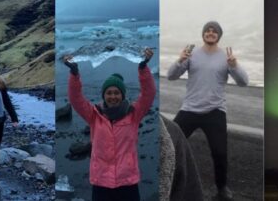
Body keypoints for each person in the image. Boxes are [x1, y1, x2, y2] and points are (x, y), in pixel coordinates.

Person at [167, 21, 248, 199]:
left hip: (215, 111)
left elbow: (244, 82)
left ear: (219, 35)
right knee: (170, 143)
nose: (210, 33)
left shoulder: (225, 57)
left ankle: (221, 188)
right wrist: (180, 60)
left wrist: (234, 66)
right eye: (207, 30)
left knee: (220, 152)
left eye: (214, 31)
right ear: (203, 34)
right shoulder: (191, 54)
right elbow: (171, 76)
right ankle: (167, 179)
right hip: (189, 109)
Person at [64, 48, 156, 201]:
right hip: (101, 182)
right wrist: (74, 74)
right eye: (109, 93)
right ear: (104, 95)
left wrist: (143, 67)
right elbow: (76, 98)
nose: (113, 96)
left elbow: (149, 93)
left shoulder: (133, 114)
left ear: (122, 95)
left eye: (116, 92)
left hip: (128, 182)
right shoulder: (94, 115)